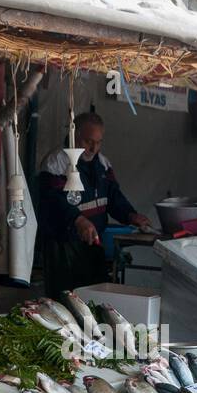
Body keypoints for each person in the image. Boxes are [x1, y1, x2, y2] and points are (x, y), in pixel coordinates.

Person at [37, 111, 151, 299]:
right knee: (66, 301)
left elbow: (113, 197)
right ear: (75, 136)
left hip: (93, 244)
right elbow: (53, 202)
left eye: (98, 142)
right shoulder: (56, 163)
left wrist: (131, 215)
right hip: (64, 248)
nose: (94, 148)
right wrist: (78, 220)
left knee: (93, 300)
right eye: (88, 141)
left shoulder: (103, 164)